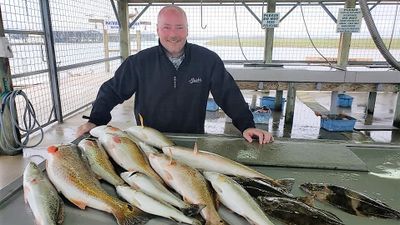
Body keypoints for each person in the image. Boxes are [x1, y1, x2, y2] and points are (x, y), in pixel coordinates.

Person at [77, 5, 273, 144]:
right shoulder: (140, 62)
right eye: (166, 27)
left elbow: (228, 94)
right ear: (157, 30)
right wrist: (95, 120)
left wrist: (247, 125)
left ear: (187, 29)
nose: (173, 34)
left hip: (193, 140)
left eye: (179, 27)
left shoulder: (207, 60)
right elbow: (112, 91)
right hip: (149, 141)